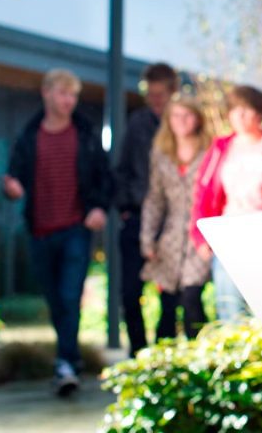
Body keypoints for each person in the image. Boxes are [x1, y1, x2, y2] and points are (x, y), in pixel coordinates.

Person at [3, 68, 112, 396]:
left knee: (69, 296)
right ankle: (68, 359)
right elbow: (13, 177)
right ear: (47, 93)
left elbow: (105, 178)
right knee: (55, 299)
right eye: (64, 94)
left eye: (74, 96)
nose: (69, 101)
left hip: (75, 229)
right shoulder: (29, 137)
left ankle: (67, 363)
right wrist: (12, 187)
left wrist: (98, 208)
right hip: (40, 230)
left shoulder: (86, 135)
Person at [190, 85, 262, 321]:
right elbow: (204, 193)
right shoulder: (221, 148)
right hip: (228, 231)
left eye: (246, 110)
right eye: (234, 110)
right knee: (230, 306)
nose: (239, 116)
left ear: (259, 114)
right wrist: (200, 235)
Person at [113, 62, 179, 356]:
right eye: (150, 94)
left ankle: (163, 354)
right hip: (136, 218)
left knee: (170, 295)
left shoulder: (182, 124)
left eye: (160, 94)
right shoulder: (138, 123)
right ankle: (137, 353)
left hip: (171, 224)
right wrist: (126, 208)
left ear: (172, 93)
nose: (155, 100)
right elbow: (123, 168)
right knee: (129, 292)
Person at [140, 96, 214, 340]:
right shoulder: (161, 154)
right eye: (176, 116)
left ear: (198, 118)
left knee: (192, 297)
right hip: (171, 237)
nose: (182, 122)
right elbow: (155, 199)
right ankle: (166, 362)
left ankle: (200, 356)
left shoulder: (210, 152)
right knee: (168, 302)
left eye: (187, 115)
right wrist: (148, 237)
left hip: (200, 236)